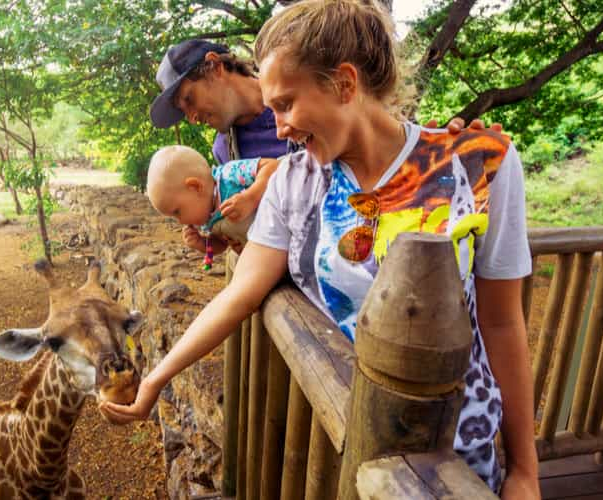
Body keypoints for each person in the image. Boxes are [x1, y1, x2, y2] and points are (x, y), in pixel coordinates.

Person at [106, 1, 539, 498]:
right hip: (342, 439)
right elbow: (240, 293)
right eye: (272, 110)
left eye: (287, 105)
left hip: (457, 453)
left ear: (346, 84)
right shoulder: (294, 181)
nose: (281, 128)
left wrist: (525, 470)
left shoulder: (480, 166)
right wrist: (157, 377)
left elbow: (503, 322)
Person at [149, 38, 501, 254]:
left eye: (190, 100)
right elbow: (256, 239)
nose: (192, 117)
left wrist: (442, 149)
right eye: (185, 112)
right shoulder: (225, 155)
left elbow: (385, 150)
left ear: (213, 67)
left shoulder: (312, 95)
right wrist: (218, 241)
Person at [146, 145, 279, 264]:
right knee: (234, 264)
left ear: (195, 187)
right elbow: (222, 244)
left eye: (177, 212)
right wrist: (202, 243)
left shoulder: (229, 175)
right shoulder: (207, 219)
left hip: (282, 236)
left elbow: (273, 166)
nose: (180, 222)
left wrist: (251, 197)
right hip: (262, 257)